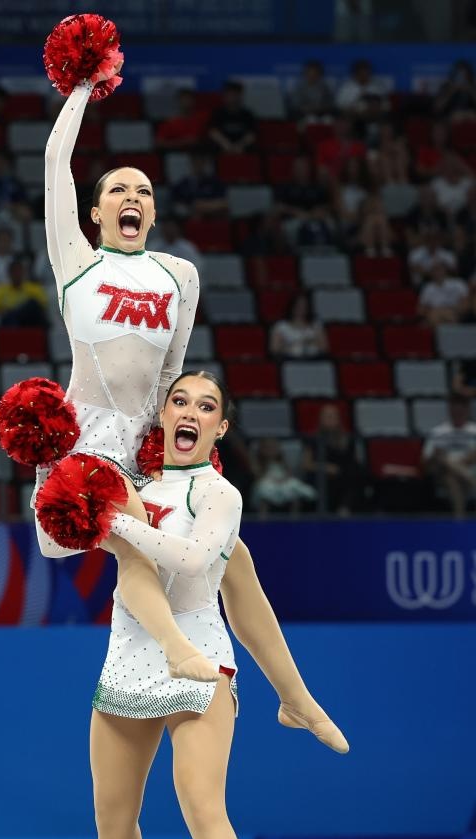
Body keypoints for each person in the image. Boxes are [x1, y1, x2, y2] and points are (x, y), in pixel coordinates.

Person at [29, 66, 349, 748]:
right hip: (87, 443)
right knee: (138, 542)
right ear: (94, 213)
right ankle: (178, 650)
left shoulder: (180, 275)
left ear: (153, 211)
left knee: (235, 558)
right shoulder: (77, 262)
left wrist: (171, 441)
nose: (132, 197)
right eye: (118, 189)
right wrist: (82, 86)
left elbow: (172, 373)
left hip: (146, 441)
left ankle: (295, 698)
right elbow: (56, 158)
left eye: (143, 190)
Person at [49, 371, 343, 839]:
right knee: (112, 816)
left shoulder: (219, 495)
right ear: (162, 415)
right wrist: (54, 479)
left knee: (203, 807)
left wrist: (112, 518)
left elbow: (191, 560)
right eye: (179, 401)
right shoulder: (134, 485)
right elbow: (68, 548)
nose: (190, 411)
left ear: (220, 427)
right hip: (128, 659)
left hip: (201, 659)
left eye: (206, 406)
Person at [302, 403, 366, 514]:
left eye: (333, 416)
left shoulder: (347, 439)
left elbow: (355, 461)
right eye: (327, 416)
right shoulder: (313, 439)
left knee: (356, 473)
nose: (331, 419)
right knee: (332, 480)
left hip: (344, 474)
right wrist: (325, 467)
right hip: (322, 475)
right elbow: (306, 464)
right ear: (321, 419)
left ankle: (345, 507)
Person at [422, 393, 476, 517]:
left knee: (451, 478)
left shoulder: (474, 430)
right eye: (455, 410)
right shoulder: (438, 432)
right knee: (443, 460)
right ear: (450, 410)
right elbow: (425, 461)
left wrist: (462, 462)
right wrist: (436, 456)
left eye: (461, 410)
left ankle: (459, 518)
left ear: (467, 410)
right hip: (443, 470)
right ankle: (471, 481)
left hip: (468, 469)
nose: (458, 413)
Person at [275, 155, 334, 248]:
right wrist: (297, 212)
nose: (300, 170)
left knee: (332, 224)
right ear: (293, 170)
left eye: (303, 167)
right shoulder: (285, 187)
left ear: (308, 169)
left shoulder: (317, 187)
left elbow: (326, 205)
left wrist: (314, 214)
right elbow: (279, 207)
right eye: (298, 168)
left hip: (316, 218)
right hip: (293, 220)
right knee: (285, 228)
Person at [250, 437, 316, 516]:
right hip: (267, 483)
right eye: (268, 448)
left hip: (283, 482)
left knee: (293, 490)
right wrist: (271, 479)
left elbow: (288, 473)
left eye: (273, 447)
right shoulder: (259, 462)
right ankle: (262, 518)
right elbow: (258, 475)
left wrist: (283, 479)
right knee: (264, 491)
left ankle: (294, 518)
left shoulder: (282, 461)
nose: (271, 450)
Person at [0, 257, 48, 326]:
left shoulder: (35, 289)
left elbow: (43, 307)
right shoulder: (0, 291)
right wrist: (6, 311)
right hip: (9, 322)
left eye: (19, 271)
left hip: (30, 322)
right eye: (14, 272)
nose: (17, 274)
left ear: (23, 272)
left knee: (32, 304)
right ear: (9, 273)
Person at [170, 149, 228, 220]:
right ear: (190, 162)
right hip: (190, 222)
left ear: (205, 162)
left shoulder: (215, 182)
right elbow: (176, 207)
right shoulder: (181, 185)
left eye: (201, 161)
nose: (198, 164)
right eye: (195, 161)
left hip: (213, 220)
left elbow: (224, 204)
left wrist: (201, 206)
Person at [269, 293, 328, 358]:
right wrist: (293, 346)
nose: (301, 309)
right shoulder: (281, 326)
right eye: (298, 306)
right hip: (289, 359)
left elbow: (324, 348)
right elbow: (274, 350)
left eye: (304, 306)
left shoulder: (315, 325)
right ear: (292, 306)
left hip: (313, 359)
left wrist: (309, 343)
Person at [207, 80, 256, 153]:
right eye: (229, 94)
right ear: (224, 96)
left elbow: (252, 134)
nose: (232, 98)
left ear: (240, 96)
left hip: (242, 149)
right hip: (222, 148)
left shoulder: (247, 114)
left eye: (235, 94)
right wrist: (227, 145)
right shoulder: (218, 113)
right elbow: (213, 132)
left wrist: (240, 145)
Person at [418, 261, 469, 326]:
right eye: (434, 270)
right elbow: (421, 309)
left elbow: (465, 302)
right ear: (431, 273)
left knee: (447, 315)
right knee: (434, 316)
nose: (437, 272)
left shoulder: (458, 284)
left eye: (439, 269)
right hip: (435, 312)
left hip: (454, 312)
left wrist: (456, 311)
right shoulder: (427, 288)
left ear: (445, 270)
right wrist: (431, 311)